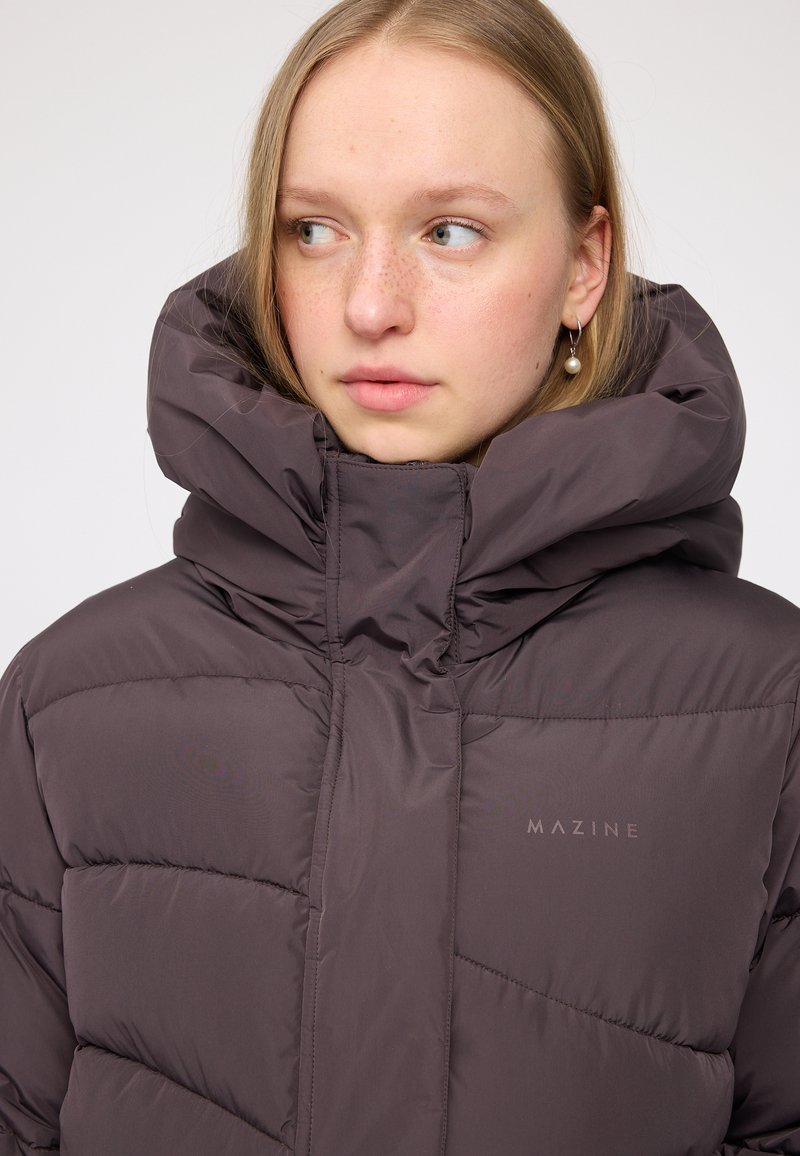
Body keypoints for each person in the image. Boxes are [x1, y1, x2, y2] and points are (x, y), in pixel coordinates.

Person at [1, 0, 798, 1152]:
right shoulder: (69, 701)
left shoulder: (767, 706)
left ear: (584, 266)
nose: (370, 304)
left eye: (450, 231)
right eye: (314, 230)